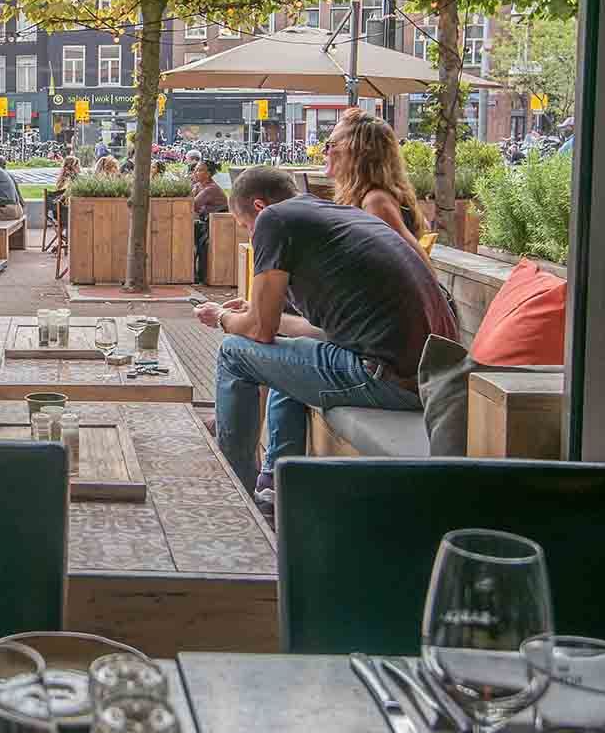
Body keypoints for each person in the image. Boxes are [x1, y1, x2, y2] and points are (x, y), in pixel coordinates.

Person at [195, 165, 456, 497]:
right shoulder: (335, 214)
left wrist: (221, 317)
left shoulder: (275, 220)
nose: (250, 235)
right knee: (285, 355)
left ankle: (234, 495)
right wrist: (253, 311)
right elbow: (310, 331)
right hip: (430, 375)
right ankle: (275, 485)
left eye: (246, 226)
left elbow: (260, 330)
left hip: (386, 377)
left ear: (260, 207)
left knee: (234, 353)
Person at [323, 108, 422, 241]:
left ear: (356, 151)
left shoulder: (376, 202)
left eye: (330, 144)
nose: (324, 150)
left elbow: (418, 260)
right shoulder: (366, 197)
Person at [190, 158, 227, 284]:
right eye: (195, 170)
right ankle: (194, 274)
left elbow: (192, 205)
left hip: (218, 225)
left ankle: (200, 276)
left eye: (199, 170)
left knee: (196, 242)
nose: (195, 173)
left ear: (208, 174)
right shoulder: (199, 186)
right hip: (206, 222)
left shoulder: (210, 189)